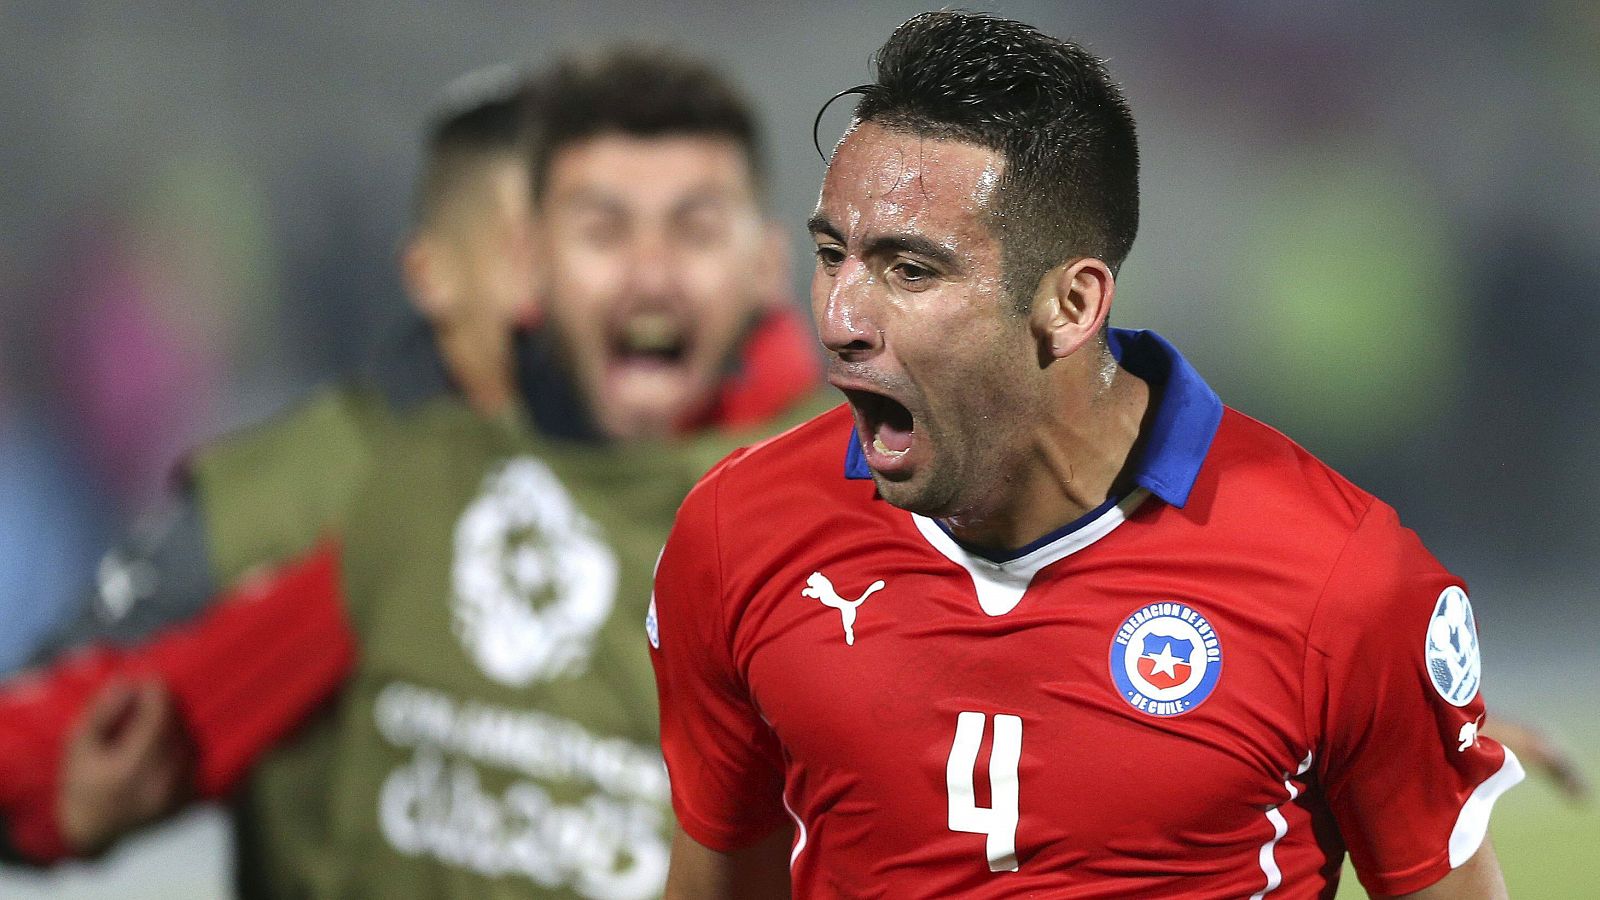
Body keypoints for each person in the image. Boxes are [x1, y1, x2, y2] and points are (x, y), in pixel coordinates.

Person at [648, 12, 1521, 898]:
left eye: (912, 271)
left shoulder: (1341, 582)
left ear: (1071, 305)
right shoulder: (737, 535)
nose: (838, 318)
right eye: (833, 255)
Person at [0, 47, 820, 900]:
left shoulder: (853, 517)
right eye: (603, 230)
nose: (649, 275)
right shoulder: (395, 485)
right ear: (532, 260)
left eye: (693, 228)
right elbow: (85, 733)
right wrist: (55, 804)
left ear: (764, 263)